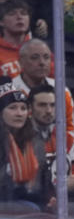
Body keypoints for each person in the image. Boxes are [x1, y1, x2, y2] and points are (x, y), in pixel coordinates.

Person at [12, 39, 74, 155]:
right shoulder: (9, 91)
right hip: (21, 155)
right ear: (21, 62)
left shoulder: (62, 90)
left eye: (46, 57)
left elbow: (70, 130)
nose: (42, 62)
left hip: (57, 154)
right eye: (35, 57)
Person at [0, 80, 51, 209]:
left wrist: (50, 198)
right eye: (12, 108)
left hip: (30, 201)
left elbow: (43, 177)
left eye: (23, 108)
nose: (19, 113)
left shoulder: (34, 139)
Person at [0, 0, 37, 78]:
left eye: (24, 13)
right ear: (1, 22)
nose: (19, 17)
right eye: (12, 14)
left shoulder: (39, 49)